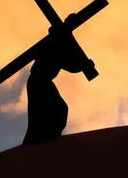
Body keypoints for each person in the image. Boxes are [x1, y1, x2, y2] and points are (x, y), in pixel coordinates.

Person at [22, 14, 98, 145]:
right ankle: (39, 141)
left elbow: (70, 65)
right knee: (43, 111)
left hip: (44, 82)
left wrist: (85, 66)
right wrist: (84, 66)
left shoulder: (60, 46)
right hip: (38, 81)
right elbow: (69, 63)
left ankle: (50, 137)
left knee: (60, 108)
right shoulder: (51, 44)